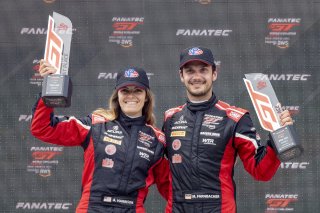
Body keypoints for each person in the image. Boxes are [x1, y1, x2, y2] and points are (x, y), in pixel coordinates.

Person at [162, 47, 294, 213]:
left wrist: (278, 136)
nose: (196, 77)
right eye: (190, 71)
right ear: (182, 76)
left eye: (203, 70)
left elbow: (261, 171)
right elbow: (160, 170)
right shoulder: (170, 118)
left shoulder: (235, 118)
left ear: (214, 74)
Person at [31, 61, 169, 213]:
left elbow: (170, 188)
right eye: (125, 91)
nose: (131, 96)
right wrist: (51, 87)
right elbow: (43, 128)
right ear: (117, 95)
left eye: (137, 90)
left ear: (146, 97)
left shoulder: (157, 139)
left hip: (132, 208)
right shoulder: (95, 124)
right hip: (92, 206)